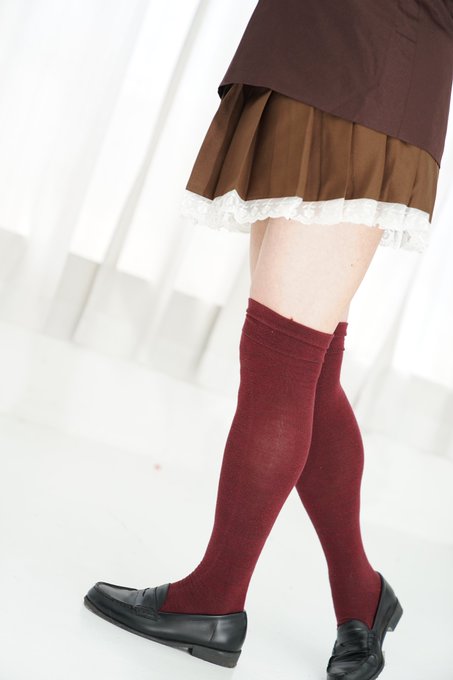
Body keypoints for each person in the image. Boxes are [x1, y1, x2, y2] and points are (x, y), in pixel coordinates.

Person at [84, 2, 453, 678]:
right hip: (305, 53)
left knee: (281, 362)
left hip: (365, 75)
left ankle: (214, 602)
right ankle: (362, 596)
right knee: (308, 369)